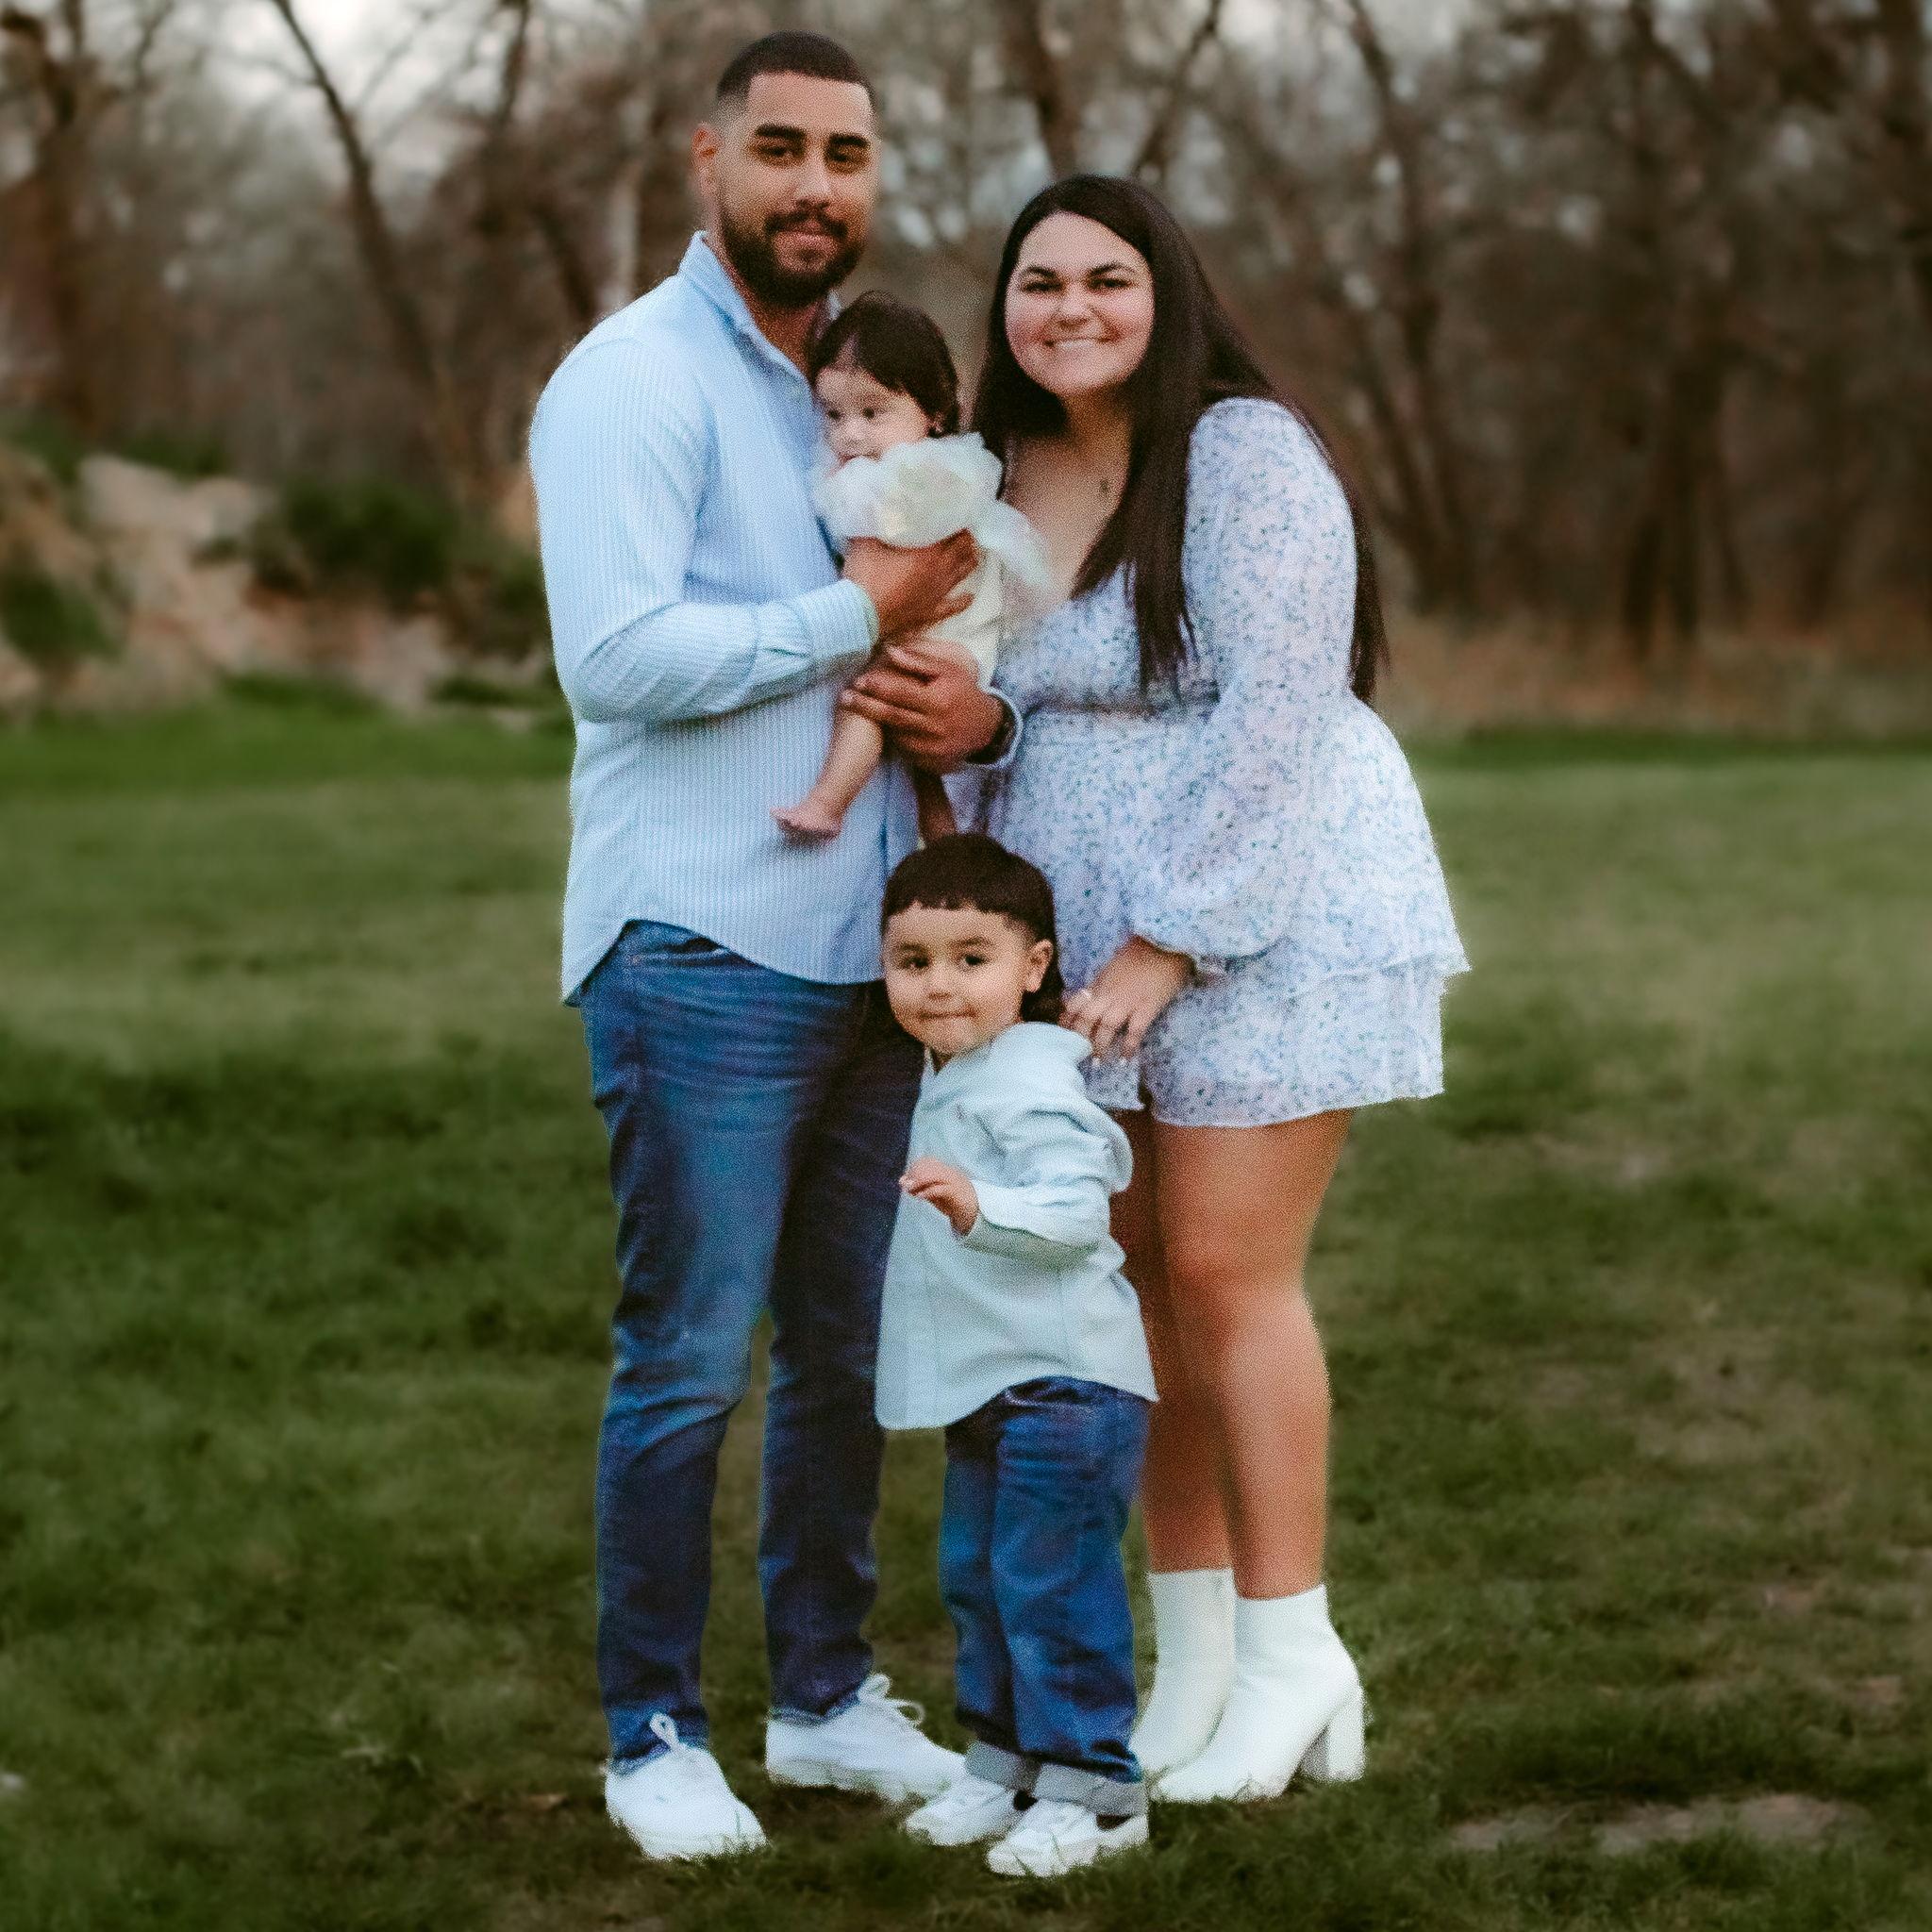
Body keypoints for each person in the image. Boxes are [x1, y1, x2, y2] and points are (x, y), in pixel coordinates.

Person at [852, 175, 1469, 1804]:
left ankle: (1293, 1653)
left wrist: (1173, 938)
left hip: (1261, 900)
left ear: (1165, 292)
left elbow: (1278, 709)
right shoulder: (1000, 471)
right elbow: (1044, 697)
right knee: (1123, 1283)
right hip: (1079, 909)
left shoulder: (1245, 452)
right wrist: (981, 733)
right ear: (1003, 309)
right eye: (1037, 281)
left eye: (1106, 278)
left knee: (1221, 1270)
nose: (1069, 308)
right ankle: (1190, 1662)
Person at [527, 32, 1015, 1862]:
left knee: (845, 1356)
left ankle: (820, 1697)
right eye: (783, 149)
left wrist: (964, 708)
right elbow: (616, 660)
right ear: (708, 157)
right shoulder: (632, 381)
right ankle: (652, 1729)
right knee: (686, 1356)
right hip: (701, 942)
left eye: (849, 157)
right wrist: (850, 612)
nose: (817, 186)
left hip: (873, 958)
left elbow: (957, 625)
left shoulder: (861, 383)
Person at [874, 834, 1155, 1876]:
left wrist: (978, 1203)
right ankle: (1005, 1764)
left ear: (1033, 966)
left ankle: (1096, 1792)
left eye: (971, 958)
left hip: (1064, 1383)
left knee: (1051, 1585)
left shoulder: (1029, 1083)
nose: (939, 985)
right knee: (980, 1578)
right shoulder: (955, 1070)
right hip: (992, 1379)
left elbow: (1079, 1213)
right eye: (912, 961)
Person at [775, 292, 1050, 844]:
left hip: (950, 636)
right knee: (914, 748)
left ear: (934, 412)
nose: (850, 435)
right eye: (833, 414)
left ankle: (828, 802)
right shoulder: (894, 467)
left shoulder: (923, 474)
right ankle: (941, 835)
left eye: (872, 413)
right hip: (938, 634)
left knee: (868, 702)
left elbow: (889, 549)